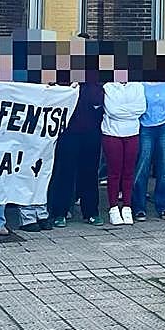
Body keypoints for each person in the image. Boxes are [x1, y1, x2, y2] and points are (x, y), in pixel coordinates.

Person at [47, 77, 104, 227]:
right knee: (64, 173)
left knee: (90, 173)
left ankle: (91, 212)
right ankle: (60, 212)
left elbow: (98, 100)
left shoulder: (93, 82)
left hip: (91, 132)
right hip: (67, 133)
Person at [102, 76, 146, 226]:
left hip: (132, 133)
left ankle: (127, 207)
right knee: (114, 173)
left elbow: (141, 108)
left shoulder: (138, 85)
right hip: (112, 133)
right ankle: (113, 208)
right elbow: (112, 110)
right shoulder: (108, 86)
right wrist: (130, 110)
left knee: (129, 172)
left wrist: (125, 110)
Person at [133, 81, 165, 220]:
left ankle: (163, 205)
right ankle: (138, 206)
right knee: (142, 167)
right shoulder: (140, 85)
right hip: (145, 127)